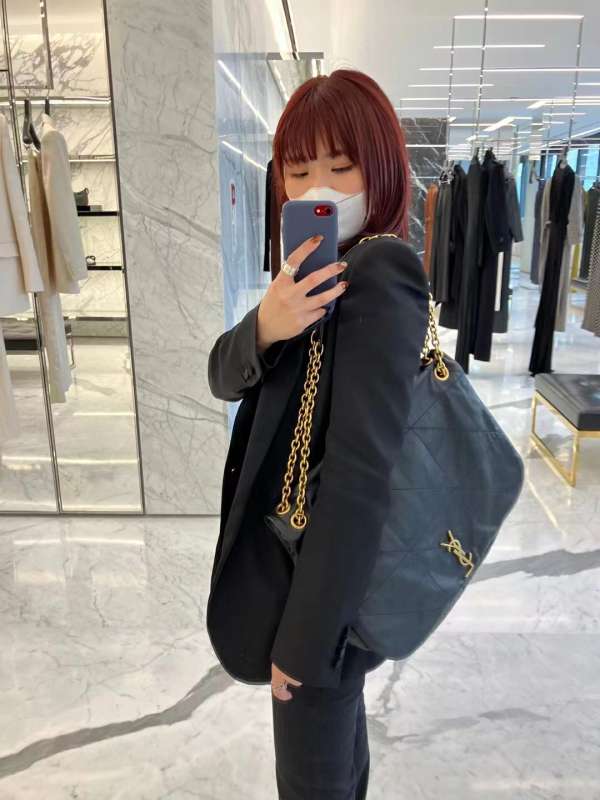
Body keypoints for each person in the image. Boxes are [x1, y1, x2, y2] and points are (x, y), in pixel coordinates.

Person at [206, 69, 429, 799]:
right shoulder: (305, 276)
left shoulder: (380, 270)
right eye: (298, 171)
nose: (317, 189)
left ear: (381, 169)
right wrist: (268, 324)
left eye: (341, 167)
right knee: (335, 765)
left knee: (313, 780)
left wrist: (306, 644)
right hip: (304, 574)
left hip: (320, 591)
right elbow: (222, 376)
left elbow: (361, 476)